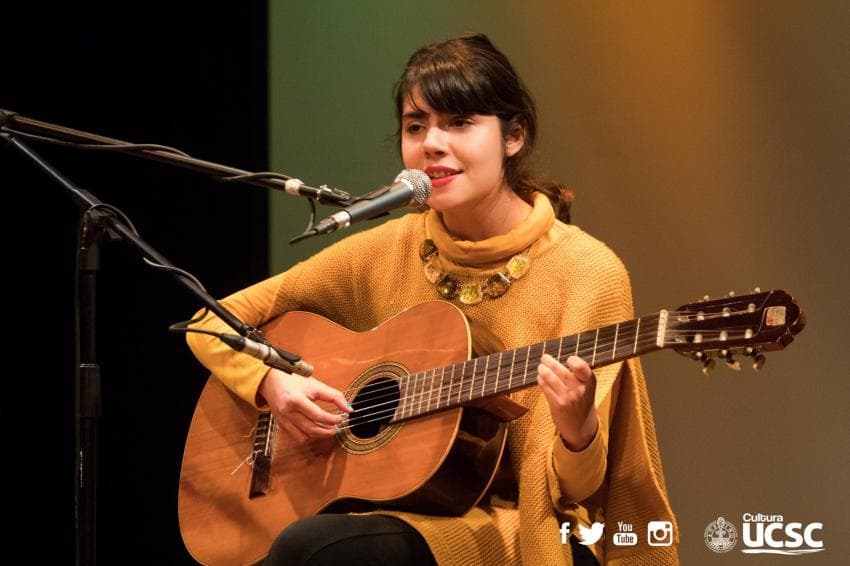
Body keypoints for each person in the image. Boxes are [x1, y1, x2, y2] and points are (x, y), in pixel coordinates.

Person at [186, 33, 678, 565]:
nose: (432, 144)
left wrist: (578, 430)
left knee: (314, 551)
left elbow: (579, 493)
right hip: (401, 510)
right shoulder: (386, 249)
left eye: (459, 123)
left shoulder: (586, 271)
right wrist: (271, 385)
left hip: (517, 524)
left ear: (514, 136)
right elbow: (210, 322)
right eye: (416, 126)